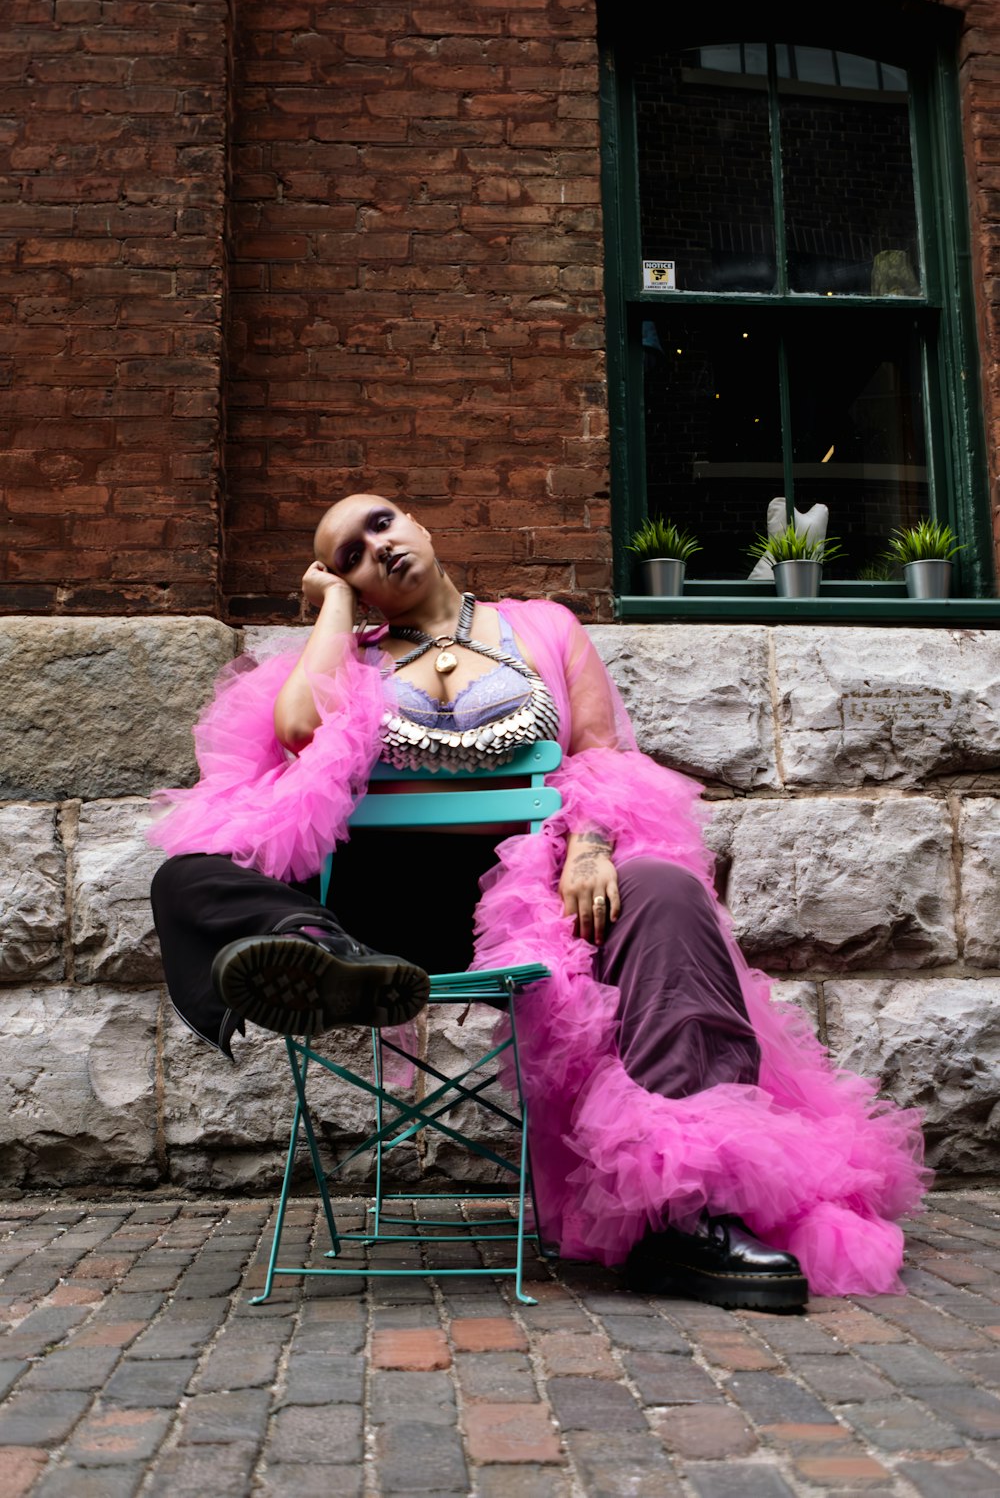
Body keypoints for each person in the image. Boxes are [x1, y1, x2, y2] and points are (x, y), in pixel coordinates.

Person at [149, 493, 928, 1310]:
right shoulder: (353, 653)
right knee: (186, 875)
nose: (374, 550)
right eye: (347, 557)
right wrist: (340, 610)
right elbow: (302, 729)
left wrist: (590, 848)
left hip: (526, 901)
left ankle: (689, 1215)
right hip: (374, 918)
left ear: (418, 523)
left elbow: (601, 755)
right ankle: (326, 962)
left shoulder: (545, 628)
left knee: (662, 887)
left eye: (380, 526)